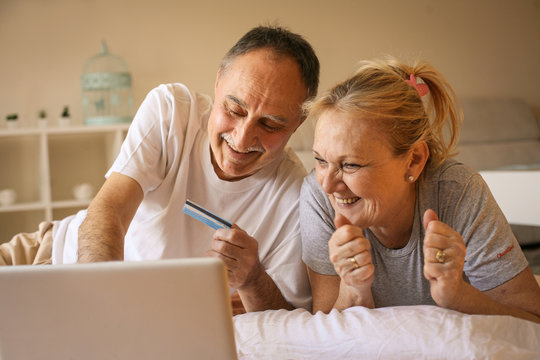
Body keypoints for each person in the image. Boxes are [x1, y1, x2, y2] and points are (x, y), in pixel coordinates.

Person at [1, 25, 320, 313]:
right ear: (218, 82)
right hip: (50, 256)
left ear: (297, 124)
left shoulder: (297, 196)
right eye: (234, 109)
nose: (242, 137)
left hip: (146, 315)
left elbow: (288, 320)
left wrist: (253, 280)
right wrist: (100, 306)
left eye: (269, 124)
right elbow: (110, 210)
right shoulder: (174, 111)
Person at [300, 57, 540, 323]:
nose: (327, 184)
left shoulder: (458, 192)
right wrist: (354, 290)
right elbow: (320, 333)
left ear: (414, 160)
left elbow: (532, 321)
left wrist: (456, 295)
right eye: (320, 160)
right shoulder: (317, 196)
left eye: (351, 164)